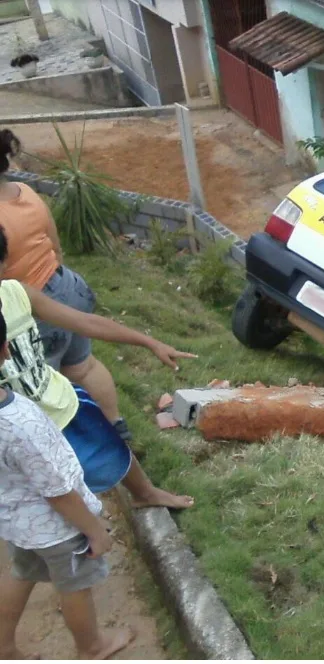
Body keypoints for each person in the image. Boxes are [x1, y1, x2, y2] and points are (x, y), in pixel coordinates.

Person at [0, 225, 195, 510]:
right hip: (20, 427)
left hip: (60, 400)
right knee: (49, 492)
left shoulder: (17, 293)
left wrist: (150, 342)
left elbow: (85, 322)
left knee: (111, 448)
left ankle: (145, 494)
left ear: (5, 261)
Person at [0, 305, 135, 660]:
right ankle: (92, 647)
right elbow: (57, 491)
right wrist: (94, 530)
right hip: (58, 528)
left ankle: (4, 646)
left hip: (16, 521)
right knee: (75, 585)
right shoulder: (20, 421)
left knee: (21, 573)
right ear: (5, 350)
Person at [0, 128, 133, 442]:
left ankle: (75, 448)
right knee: (83, 365)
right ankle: (115, 425)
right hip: (67, 285)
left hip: (34, 308)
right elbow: (55, 246)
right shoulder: (24, 191)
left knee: (45, 384)